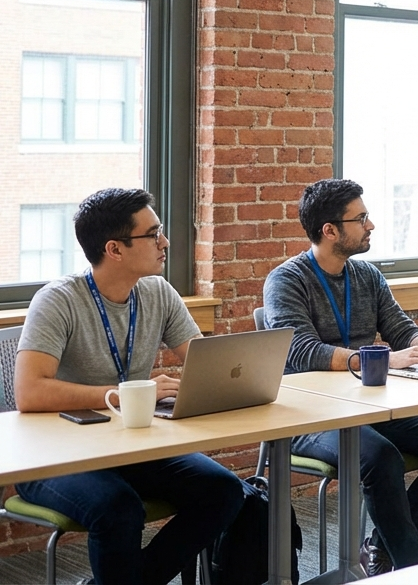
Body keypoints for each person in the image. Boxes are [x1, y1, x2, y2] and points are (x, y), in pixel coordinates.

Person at [13, 188, 245, 585]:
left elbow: (208, 365)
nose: (165, 242)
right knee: (119, 509)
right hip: (54, 455)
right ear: (114, 249)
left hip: (129, 446)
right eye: (153, 234)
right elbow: (30, 392)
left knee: (224, 490)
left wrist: (240, 374)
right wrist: (122, 394)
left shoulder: (157, 292)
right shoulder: (58, 300)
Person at [263, 179, 418, 573]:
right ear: (330, 230)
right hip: (307, 414)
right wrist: (383, 359)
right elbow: (302, 351)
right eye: (361, 218)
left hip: (368, 405)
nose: (371, 225)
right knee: (380, 457)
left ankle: (381, 548)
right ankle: (413, 566)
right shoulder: (287, 280)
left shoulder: (367, 275)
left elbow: (400, 328)